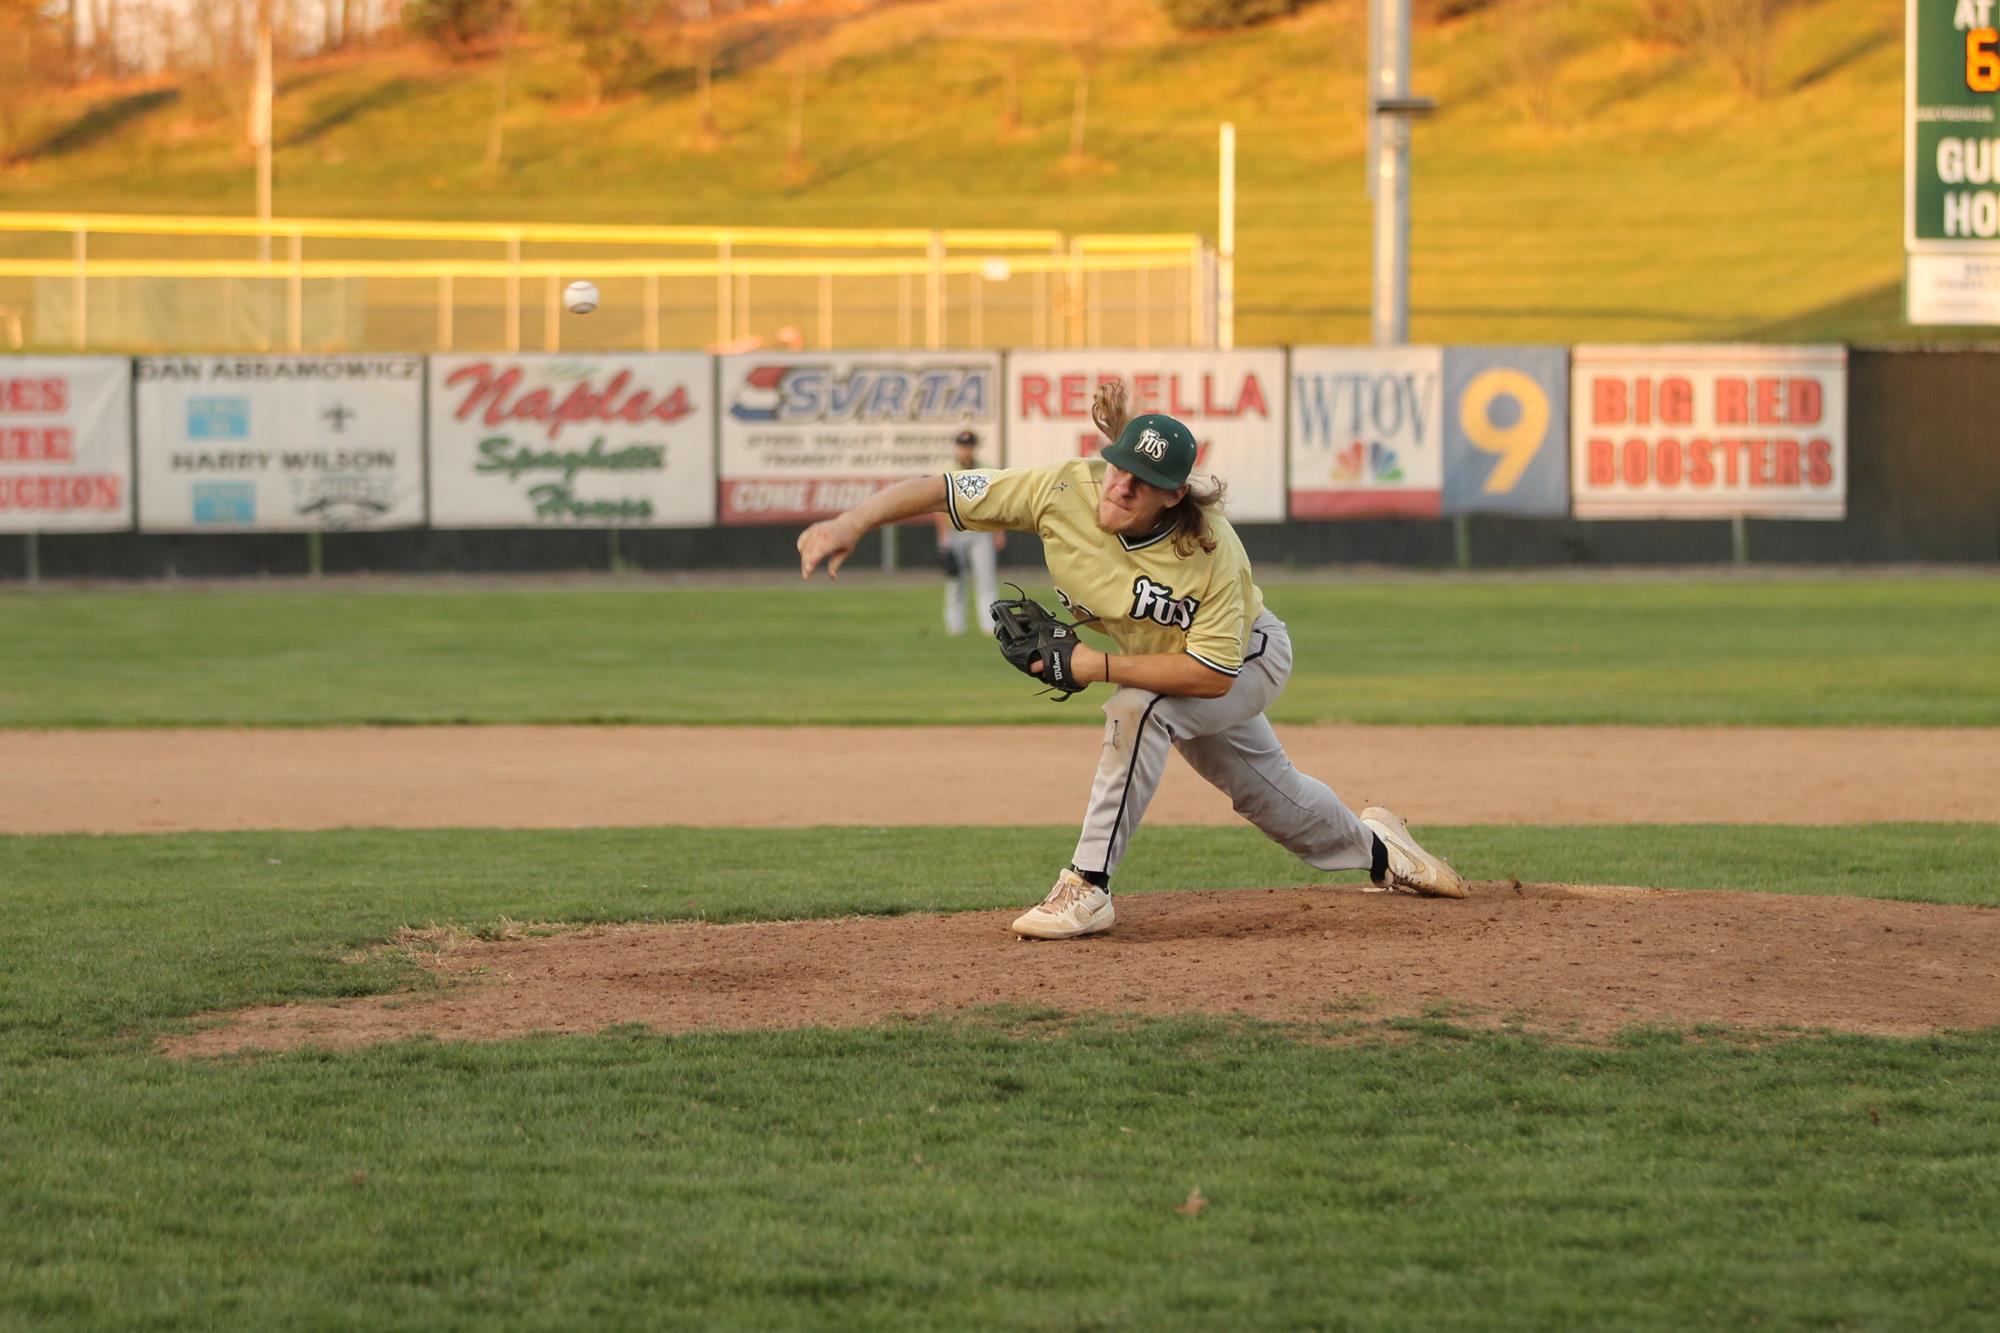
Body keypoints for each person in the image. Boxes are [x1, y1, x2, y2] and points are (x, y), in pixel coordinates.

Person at [796, 382, 1466, 940]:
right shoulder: (1062, 489)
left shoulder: (1213, 552)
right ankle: (1382, 850)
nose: (1120, 487)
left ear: (1173, 495)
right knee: (1272, 800)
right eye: (1119, 467)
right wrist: (850, 523)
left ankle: (1087, 887)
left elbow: (1211, 674)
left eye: (1141, 483)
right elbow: (941, 488)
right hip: (1164, 665)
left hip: (1245, 659)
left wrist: (1094, 665)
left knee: (1137, 709)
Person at [932, 429, 1005, 635]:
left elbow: (997, 503)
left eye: (969, 446)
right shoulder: (946, 471)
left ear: (974, 447)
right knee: (955, 580)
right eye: (963, 446)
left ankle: (990, 625)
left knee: (987, 580)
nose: (966, 450)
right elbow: (938, 507)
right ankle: (955, 626)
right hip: (954, 531)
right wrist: (943, 539)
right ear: (957, 447)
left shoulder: (986, 469)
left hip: (981, 531)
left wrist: (999, 532)